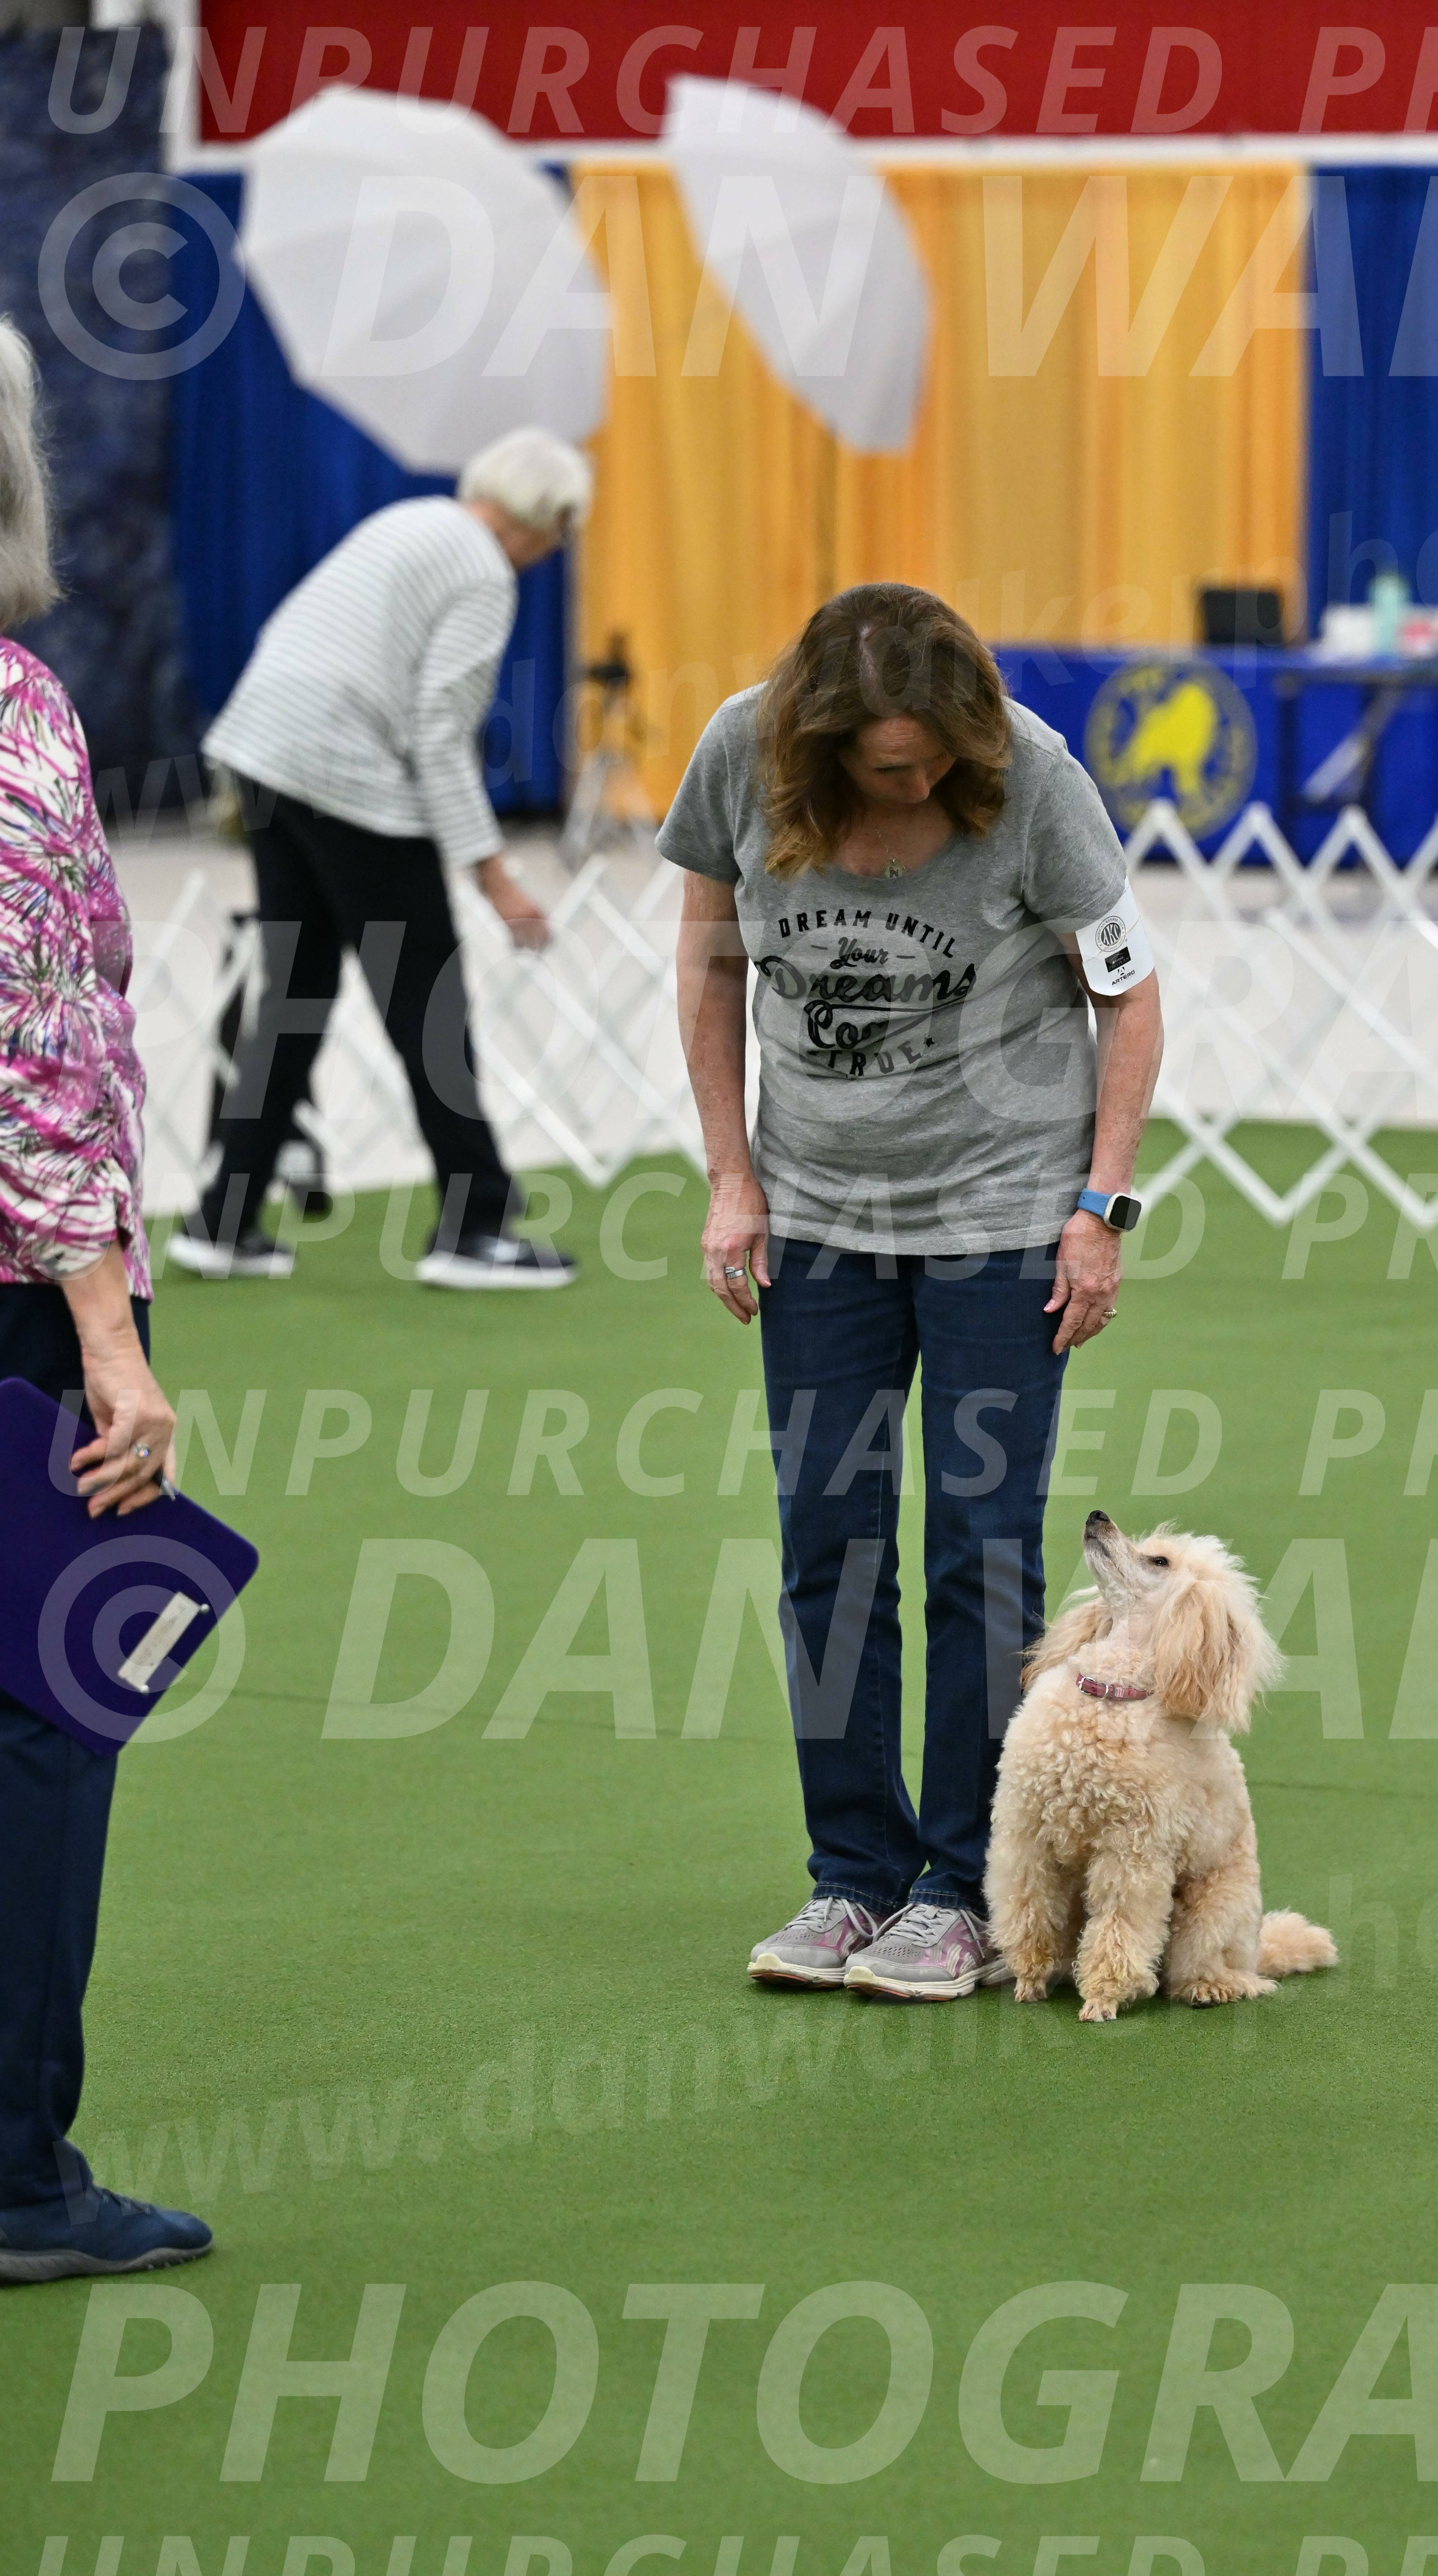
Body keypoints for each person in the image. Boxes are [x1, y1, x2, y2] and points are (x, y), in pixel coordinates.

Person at [664, 582, 1165, 2001]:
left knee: (978, 1548)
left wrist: (1099, 1207)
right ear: (820, 745)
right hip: (816, 1216)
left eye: (944, 749)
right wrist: (729, 1175)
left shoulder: (1033, 773)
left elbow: (1128, 994)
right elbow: (707, 968)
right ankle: (850, 1876)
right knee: (826, 1550)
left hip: (1005, 1214)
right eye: (896, 764)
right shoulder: (735, 756)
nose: (930, 775)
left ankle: (964, 1886)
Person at [0, 318, 212, 2281]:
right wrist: (111, 1340)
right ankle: (13, 2177)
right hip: (10, 1306)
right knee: (42, 1725)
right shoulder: (10, 715)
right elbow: (35, 1056)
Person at [171, 428, 592, 1291]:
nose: (556, 550)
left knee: (297, 991)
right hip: (346, 775)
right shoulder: (480, 568)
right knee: (427, 1003)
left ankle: (223, 1218)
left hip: (264, 758)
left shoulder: (408, 522)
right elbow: (438, 731)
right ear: (546, 516)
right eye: (564, 530)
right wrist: (494, 872)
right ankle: (475, 1226)